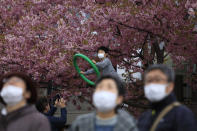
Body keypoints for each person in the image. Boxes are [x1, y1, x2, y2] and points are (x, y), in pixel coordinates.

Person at [138, 64, 197, 131]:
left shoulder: (182, 115)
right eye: (149, 81)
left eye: (158, 80)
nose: (152, 84)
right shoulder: (144, 116)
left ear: (170, 86)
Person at [70, 75, 138, 131]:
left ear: (119, 98)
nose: (103, 91)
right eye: (100, 87)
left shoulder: (129, 125)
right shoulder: (80, 124)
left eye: (109, 87)